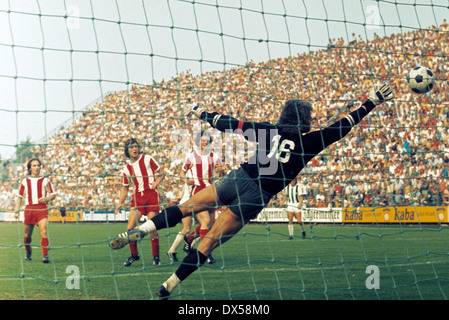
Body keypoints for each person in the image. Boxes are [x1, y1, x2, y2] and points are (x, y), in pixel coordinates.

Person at [110, 83, 393, 299]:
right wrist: (373, 101)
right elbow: (342, 126)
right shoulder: (311, 142)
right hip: (256, 197)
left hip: (238, 178)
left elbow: (231, 124)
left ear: (284, 115)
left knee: (185, 208)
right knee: (207, 243)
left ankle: (136, 232)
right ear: (304, 119)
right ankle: (168, 286)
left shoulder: (268, 130)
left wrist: (202, 113)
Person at [114, 138, 165, 266]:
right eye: (131, 147)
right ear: (127, 150)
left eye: (136, 146)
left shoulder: (147, 159)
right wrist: (120, 202)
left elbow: (161, 173)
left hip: (151, 195)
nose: (135, 149)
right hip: (137, 198)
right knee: (130, 228)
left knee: (152, 228)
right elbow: (125, 188)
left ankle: (156, 258)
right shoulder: (126, 168)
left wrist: (157, 182)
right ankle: (134, 256)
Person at [177, 131, 224, 264]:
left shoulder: (215, 156)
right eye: (203, 140)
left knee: (209, 225)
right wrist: (186, 180)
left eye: (207, 140)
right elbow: (181, 172)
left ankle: (189, 239)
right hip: (197, 190)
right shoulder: (191, 156)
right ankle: (206, 253)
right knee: (205, 222)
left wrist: (222, 170)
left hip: (210, 190)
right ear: (198, 142)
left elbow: (222, 173)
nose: (205, 142)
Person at [14, 158, 57, 263]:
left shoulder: (45, 180)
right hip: (29, 209)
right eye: (34, 165)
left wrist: (46, 199)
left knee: (44, 231)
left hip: (42, 208)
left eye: (38, 165)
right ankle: (28, 251)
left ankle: (45, 255)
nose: (37, 167)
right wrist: (16, 210)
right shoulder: (25, 181)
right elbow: (19, 197)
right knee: (27, 236)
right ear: (30, 168)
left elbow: (53, 194)